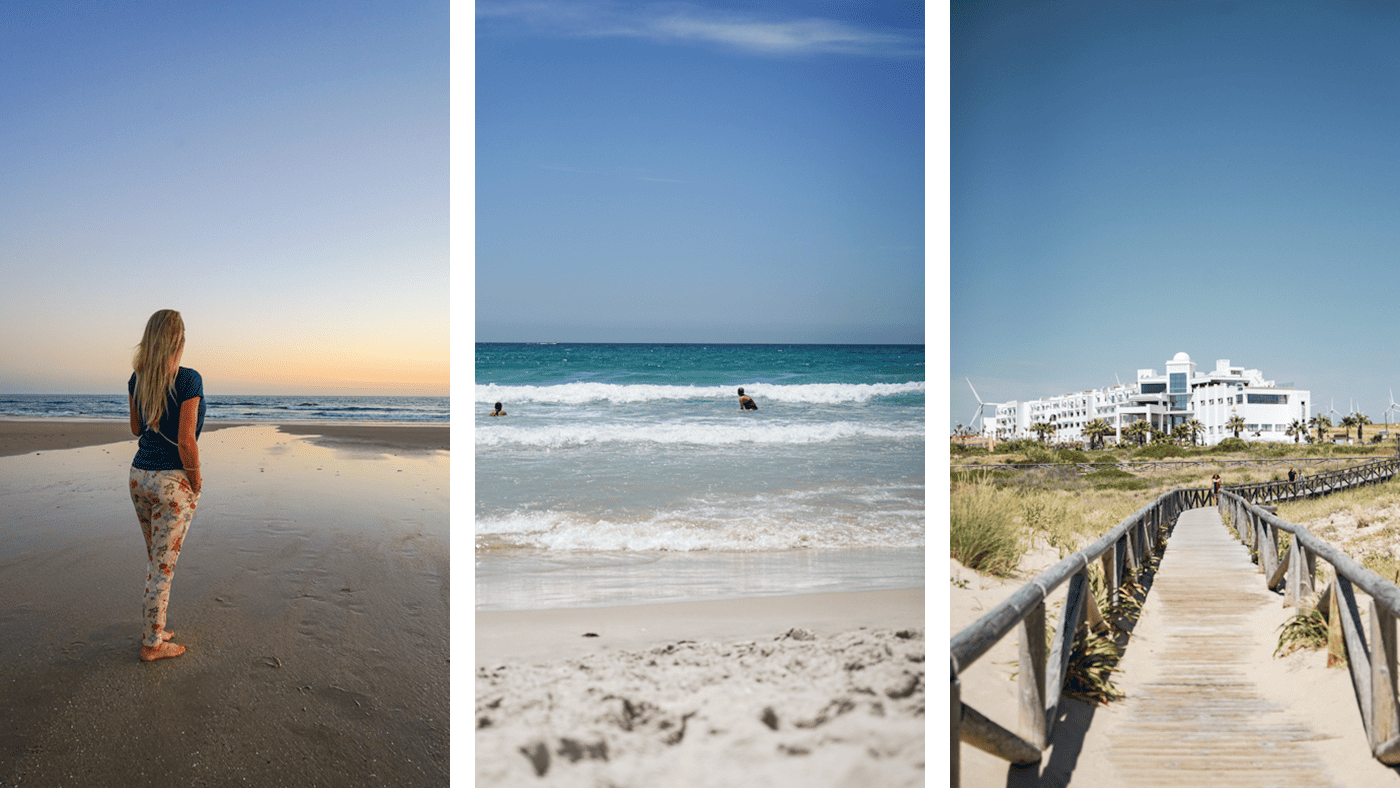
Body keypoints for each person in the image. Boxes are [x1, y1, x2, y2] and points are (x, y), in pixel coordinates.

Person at [127, 310, 205, 662]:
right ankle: (152, 644)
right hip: (171, 482)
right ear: (180, 341)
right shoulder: (189, 380)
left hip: (139, 476)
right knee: (162, 567)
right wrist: (197, 481)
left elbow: (135, 429)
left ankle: (155, 627)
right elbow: (186, 440)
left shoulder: (136, 378)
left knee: (156, 561)